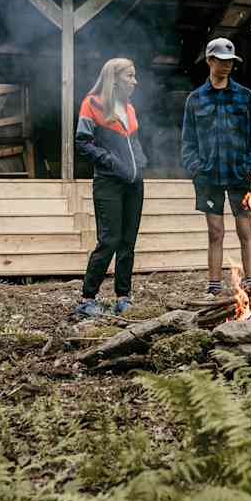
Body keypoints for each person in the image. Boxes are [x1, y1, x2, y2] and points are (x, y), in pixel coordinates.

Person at [181, 37, 251, 297]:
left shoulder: (244, 96)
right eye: (222, 60)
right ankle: (214, 286)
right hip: (208, 177)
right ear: (209, 60)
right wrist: (195, 167)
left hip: (240, 174)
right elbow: (188, 141)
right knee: (215, 232)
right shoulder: (195, 99)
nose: (227, 66)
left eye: (230, 61)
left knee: (245, 229)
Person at [74, 58, 147, 318]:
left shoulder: (129, 108)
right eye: (130, 76)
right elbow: (82, 142)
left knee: (128, 241)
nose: (135, 81)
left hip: (134, 184)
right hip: (108, 182)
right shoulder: (92, 103)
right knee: (109, 240)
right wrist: (111, 161)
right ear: (114, 78)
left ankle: (123, 297)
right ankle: (87, 298)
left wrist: (140, 163)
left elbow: (135, 142)